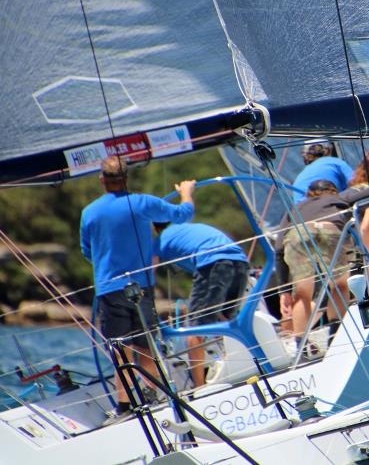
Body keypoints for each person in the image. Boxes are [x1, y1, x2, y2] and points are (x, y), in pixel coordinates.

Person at [80, 156, 195, 419]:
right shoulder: (143, 203)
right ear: (126, 179)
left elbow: (87, 251)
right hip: (141, 287)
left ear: (102, 180)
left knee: (120, 348)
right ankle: (154, 395)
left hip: (109, 289)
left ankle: (124, 405)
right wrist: (187, 194)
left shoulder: (89, 213)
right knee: (144, 345)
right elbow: (183, 214)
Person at [152, 222, 250, 386]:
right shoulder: (190, 229)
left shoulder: (160, 241)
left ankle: (199, 388)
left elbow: (148, 274)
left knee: (194, 330)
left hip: (213, 263)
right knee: (226, 320)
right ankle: (241, 368)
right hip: (240, 261)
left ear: (155, 228)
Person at [275, 180, 353, 352]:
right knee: (339, 286)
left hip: (299, 234)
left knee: (302, 294)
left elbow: (279, 249)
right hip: (328, 229)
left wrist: (284, 291)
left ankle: (302, 347)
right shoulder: (337, 199)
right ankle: (336, 336)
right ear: (332, 191)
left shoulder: (296, 208)